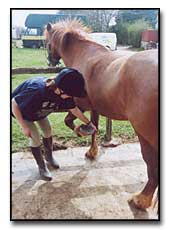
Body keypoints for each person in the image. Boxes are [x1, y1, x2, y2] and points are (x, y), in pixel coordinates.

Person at [12, 68, 97, 181]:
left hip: (39, 112)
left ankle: (49, 157)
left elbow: (74, 110)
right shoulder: (37, 90)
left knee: (48, 130)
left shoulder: (65, 94)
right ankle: (41, 166)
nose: (70, 97)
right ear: (58, 90)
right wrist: (23, 126)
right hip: (24, 113)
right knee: (35, 137)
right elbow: (14, 103)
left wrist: (89, 123)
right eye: (69, 95)